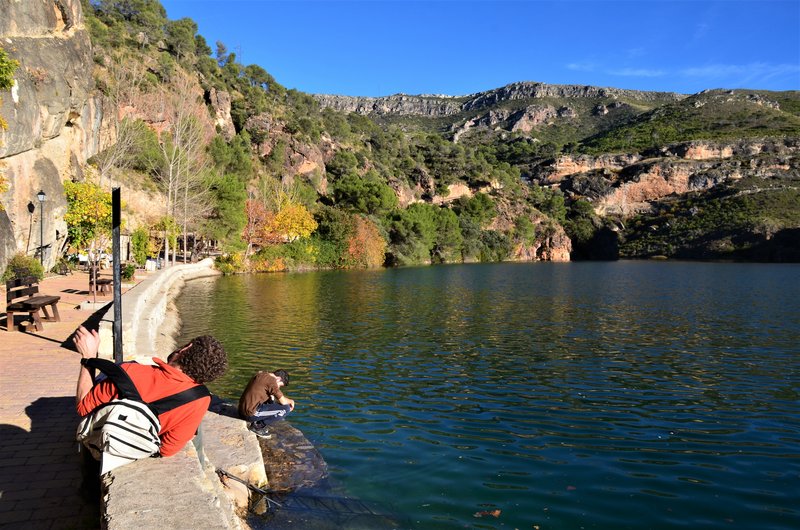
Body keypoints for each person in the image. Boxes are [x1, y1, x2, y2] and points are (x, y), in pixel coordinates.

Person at [74, 325, 228, 458]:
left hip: (100, 445)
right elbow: (167, 450)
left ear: (186, 348)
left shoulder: (129, 371)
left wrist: (88, 358)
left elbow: (83, 407)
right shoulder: (200, 400)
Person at [238, 369, 295, 438]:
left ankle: (256, 422)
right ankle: (258, 426)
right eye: (280, 385)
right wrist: (291, 401)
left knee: (271, 399)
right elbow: (283, 402)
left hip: (241, 411)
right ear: (278, 379)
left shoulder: (261, 374)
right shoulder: (271, 381)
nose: (278, 388)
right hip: (249, 414)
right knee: (286, 408)